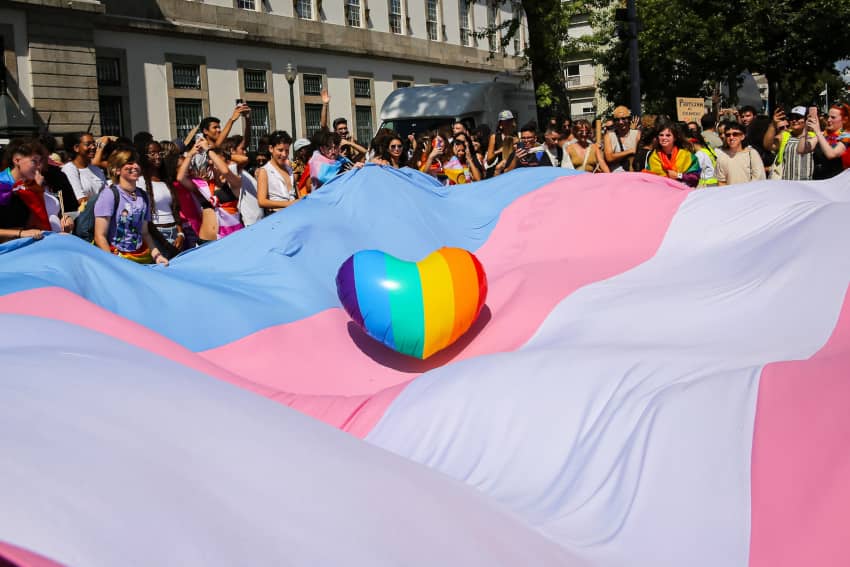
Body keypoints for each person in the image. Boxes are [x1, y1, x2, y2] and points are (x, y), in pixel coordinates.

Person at [92, 149, 168, 265]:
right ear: (117, 170)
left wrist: (157, 256)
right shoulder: (109, 194)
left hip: (141, 257)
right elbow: (99, 236)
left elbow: (145, 232)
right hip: (117, 257)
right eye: (129, 163)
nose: (136, 166)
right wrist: (112, 264)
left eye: (137, 163)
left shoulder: (143, 196)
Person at [177, 138, 244, 242]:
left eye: (216, 158)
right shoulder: (204, 185)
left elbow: (225, 171)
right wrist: (190, 154)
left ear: (226, 161)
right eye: (210, 159)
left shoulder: (234, 182)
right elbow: (180, 177)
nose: (211, 161)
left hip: (230, 237)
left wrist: (208, 149)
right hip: (205, 239)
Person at [0, 138, 53, 242]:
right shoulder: (2, 185)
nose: (39, 166)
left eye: (40, 162)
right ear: (17, 160)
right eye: (34, 161)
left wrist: (36, 192)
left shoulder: (31, 187)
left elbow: (35, 224)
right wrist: (21, 233)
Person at [138, 140, 184, 257]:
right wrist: (165, 243)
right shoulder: (140, 182)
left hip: (174, 232)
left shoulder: (166, 180)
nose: (158, 157)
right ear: (144, 157)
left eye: (160, 153)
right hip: (155, 235)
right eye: (152, 153)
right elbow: (145, 219)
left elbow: (175, 210)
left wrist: (180, 234)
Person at [642, 119, 700, 188]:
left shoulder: (687, 156)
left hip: (682, 193)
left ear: (675, 138)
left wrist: (678, 175)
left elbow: (695, 178)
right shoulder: (653, 157)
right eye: (661, 135)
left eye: (668, 135)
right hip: (661, 194)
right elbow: (648, 178)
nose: (664, 138)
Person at [798, 104, 850, 180]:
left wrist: (818, 132)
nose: (828, 120)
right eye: (827, 116)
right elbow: (801, 150)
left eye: (833, 117)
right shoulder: (822, 135)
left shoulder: (847, 136)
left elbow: (831, 154)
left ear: (844, 120)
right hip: (818, 180)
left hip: (837, 181)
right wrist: (805, 129)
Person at [762, 106, 814, 181]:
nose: (794, 120)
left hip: (806, 185)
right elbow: (767, 145)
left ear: (806, 119)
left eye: (798, 117)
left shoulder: (814, 137)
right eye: (791, 118)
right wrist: (773, 124)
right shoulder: (785, 135)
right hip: (786, 184)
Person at [221, 135, 263, 227]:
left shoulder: (241, 170)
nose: (245, 152)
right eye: (242, 149)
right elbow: (245, 159)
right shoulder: (231, 169)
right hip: (250, 222)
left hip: (256, 220)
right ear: (232, 151)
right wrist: (227, 155)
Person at [61, 132, 109, 208]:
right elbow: (81, 200)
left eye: (94, 144)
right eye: (88, 144)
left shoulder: (96, 169)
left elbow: (107, 193)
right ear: (76, 148)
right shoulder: (69, 169)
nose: (93, 147)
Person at [256, 130, 299, 213]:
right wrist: (288, 204)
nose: (284, 154)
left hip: (294, 215)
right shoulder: (265, 171)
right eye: (280, 150)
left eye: (287, 151)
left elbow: (297, 194)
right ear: (271, 148)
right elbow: (261, 201)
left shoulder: (289, 169)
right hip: (276, 217)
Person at [603, 105, 641, 172]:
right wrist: (630, 151)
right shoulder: (609, 136)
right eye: (617, 120)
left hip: (633, 176)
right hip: (616, 177)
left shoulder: (637, 134)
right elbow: (609, 157)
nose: (620, 122)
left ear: (629, 119)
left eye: (623, 118)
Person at [486, 110, 517, 175]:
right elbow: (489, 160)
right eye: (505, 122)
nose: (508, 124)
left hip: (515, 168)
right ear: (500, 124)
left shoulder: (517, 136)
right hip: (501, 170)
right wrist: (500, 150)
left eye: (510, 121)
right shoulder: (494, 137)